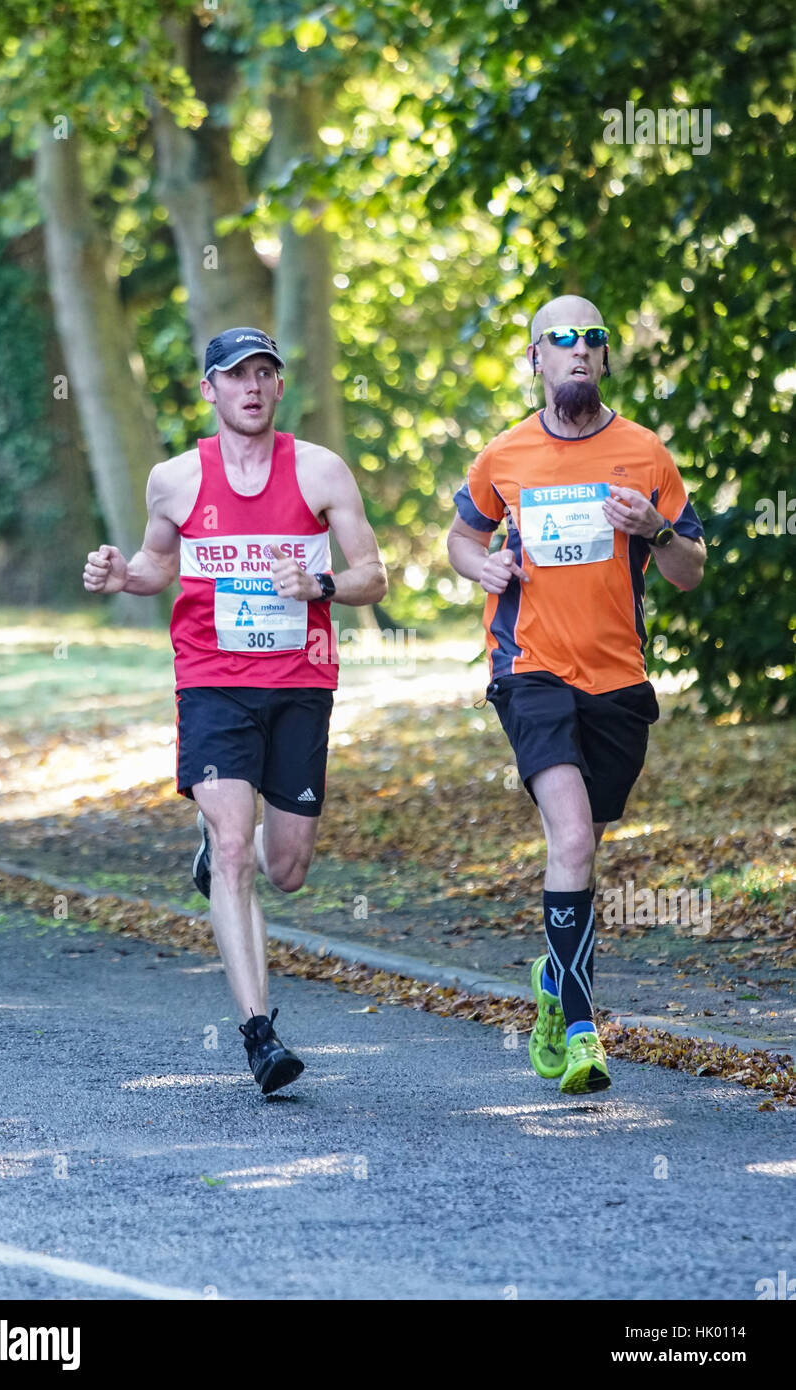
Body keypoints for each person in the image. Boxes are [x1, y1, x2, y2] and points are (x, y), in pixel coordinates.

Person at [83, 327, 387, 1094]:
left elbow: (373, 576)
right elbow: (158, 561)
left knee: (283, 867)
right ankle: (258, 1034)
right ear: (209, 390)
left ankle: (223, 864)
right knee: (231, 844)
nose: (251, 386)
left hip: (299, 683)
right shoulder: (174, 480)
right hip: (212, 680)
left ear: (279, 387)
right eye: (234, 375)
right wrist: (124, 574)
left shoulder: (320, 470)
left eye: (264, 373)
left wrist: (319, 589)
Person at [447, 295, 705, 1095]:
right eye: (561, 340)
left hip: (618, 681)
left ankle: (554, 983)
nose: (579, 350)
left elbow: (690, 568)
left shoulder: (642, 452)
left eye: (593, 338)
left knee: (582, 847)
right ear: (535, 359)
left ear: (603, 357)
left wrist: (653, 530)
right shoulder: (503, 455)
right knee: (569, 838)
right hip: (529, 671)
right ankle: (583, 1031)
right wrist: (481, 566)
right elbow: (462, 535)